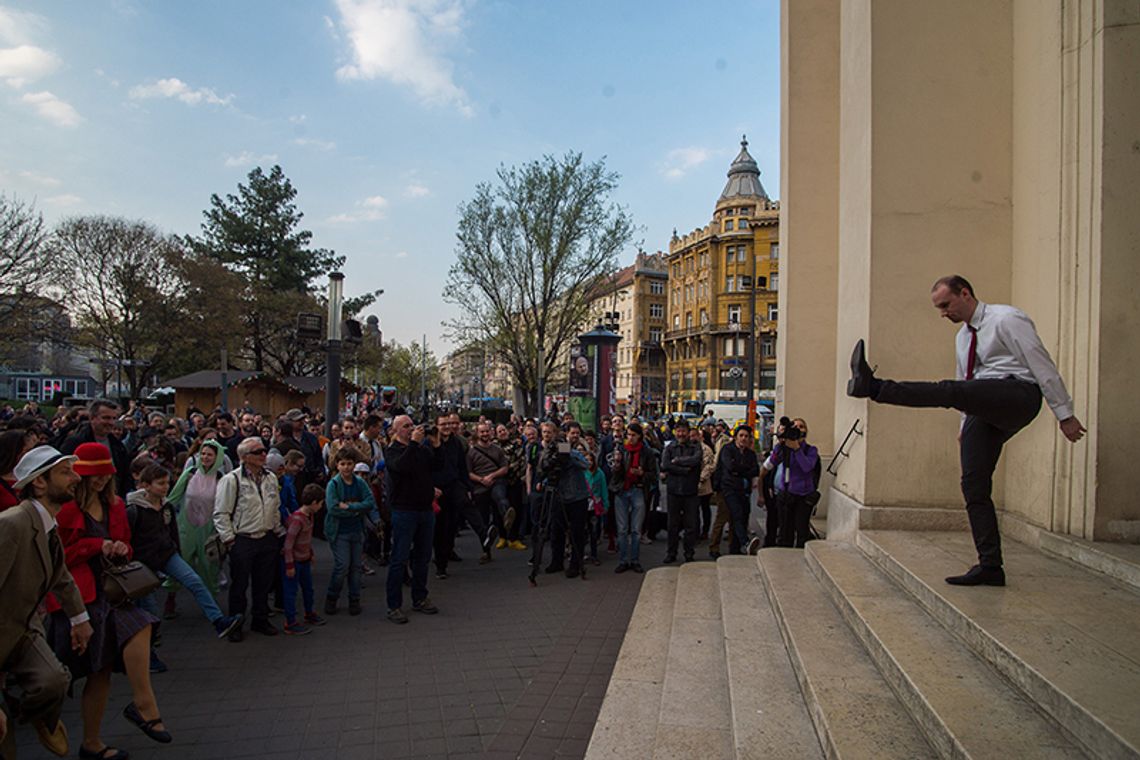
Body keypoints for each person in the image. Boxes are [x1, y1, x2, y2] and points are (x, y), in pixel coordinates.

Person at [847, 274, 1086, 586]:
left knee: (949, 389)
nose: (944, 313)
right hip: (981, 408)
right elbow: (968, 386)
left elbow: (1041, 365)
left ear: (966, 293)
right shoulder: (963, 338)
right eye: (939, 308)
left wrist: (1064, 414)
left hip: (1018, 395)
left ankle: (875, 387)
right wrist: (965, 426)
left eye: (946, 305)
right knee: (973, 485)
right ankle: (990, 566)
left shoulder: (1007, 319)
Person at [45, 443, 170, 757]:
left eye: (104, 475)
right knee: (93, 671)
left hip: (112, 591)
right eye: (93, 476)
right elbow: (57, 557)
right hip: (78, 597)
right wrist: (97, 546)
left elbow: (127, 542)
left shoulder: (115, 505)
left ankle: (141, 706)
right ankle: (87, 737)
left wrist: (120, 549)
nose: (99, 481)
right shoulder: (66, 508)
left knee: (140, 626)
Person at [1, 447, 94, 758]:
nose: (76, 478)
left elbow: (61, 576)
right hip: (4, 631)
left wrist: (79, 620)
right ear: (39, 482)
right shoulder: (12, 524)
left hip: (24, 629)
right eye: (66, 472)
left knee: (54, 683)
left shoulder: (47, 524)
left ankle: (30, 714)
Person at [127, 463, 242, 644]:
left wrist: (177, 554)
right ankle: (149, 644)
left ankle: (218, 621)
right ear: (146, 485)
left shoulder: (166, 507)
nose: (165, 487)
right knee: (148, 605)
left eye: (166, 483)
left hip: (167, 555)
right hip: (143, 562)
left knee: (194, 581)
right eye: (160, 483)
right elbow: (129, 538)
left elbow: (172, 532)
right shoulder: (134, 510)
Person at [213, 437, 283, 640]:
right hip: (242, 539)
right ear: (244, 457)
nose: (264, 455)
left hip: (267, 537)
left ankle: (260, 619)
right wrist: (229, 540)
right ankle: (236, 623)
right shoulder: (231, 480)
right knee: (239, 585)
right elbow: (221, 512)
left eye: (264, 451)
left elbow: (275, 506)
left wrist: (277, 530)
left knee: (263, 584)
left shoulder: (270, 477)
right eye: (258, 452)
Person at [384, 415, 441, 624]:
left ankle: (420, 597)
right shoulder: (392, 451)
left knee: (423, 557)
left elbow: (433, 466)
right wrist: (415, 443)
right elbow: (402, 467)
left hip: (425, 510)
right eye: (406, 426)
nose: (411, 429)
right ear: (396, 430)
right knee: (399, 558)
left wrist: (436, 444)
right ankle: (394, 605)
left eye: (412, 425)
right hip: (404, 511)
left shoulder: (420, 450)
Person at [166, 439, 228, 595]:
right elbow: (174, 496)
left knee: (208, 566)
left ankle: (211, 603)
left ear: (217, 457)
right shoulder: (191, 473)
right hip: (186, 526)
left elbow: (225, 505)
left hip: (209, 529)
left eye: (210, 455)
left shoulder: (221, 478)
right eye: (203, 454)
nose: (205, 457)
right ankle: (170, 597)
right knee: (180, 563)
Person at [323, 448, 375, 616]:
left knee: (356, 567)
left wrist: (351, 507)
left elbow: (369, 502)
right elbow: (333, 508)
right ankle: (332, 597)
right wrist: (358, 509)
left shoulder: (360, 483)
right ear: (337, 466)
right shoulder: (334, 484)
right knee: (342, 566)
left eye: (349, 464)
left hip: (356, 529)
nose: (346, 467)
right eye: (342, 464)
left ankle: (354, 599)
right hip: (339, 532)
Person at [535, 422, 590, 578]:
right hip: (558, 496)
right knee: (555, 531)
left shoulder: (575, 452)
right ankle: (556, 561)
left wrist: (568, 453)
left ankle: (575, 564)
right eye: (572, 433)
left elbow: (586, 464)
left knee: (577, 533)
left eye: (577, 433)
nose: (575, 436)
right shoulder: (550, 450)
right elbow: (544, 469)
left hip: (577, 498)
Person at [760, 417, 820, 549]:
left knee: (801, 529)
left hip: (804, 496)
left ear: (806, 432)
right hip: (786, 495)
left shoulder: (811, 450)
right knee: (785, 532)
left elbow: (807, 467)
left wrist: (797, 449)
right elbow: (770, 464)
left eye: (801, 426)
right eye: (795, 426)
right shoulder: (783, 448)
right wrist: (781, 445)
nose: (798, 429)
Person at [608, 422, 658, 574]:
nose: (630, 438)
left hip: (638, 490)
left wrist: (642, 474)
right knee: (622, 529)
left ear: (640, 436)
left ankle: (635, 560)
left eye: (633, 435)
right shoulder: (621, 450)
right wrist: (616, 466)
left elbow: (653, 475)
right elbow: (615, 475)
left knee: (636, 529)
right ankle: (623, 560)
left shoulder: (647, 452)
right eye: (628, 435)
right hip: (622, 490)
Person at [60, 400, 133, 497]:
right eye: (106, 418)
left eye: (114, 418)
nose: (111, 422)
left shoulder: (118, 446)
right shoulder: (75, 442)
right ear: (92, 418)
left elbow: (124, 475)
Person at [282, 484, 327, 635]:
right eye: (321, 503)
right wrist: (289, 565)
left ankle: (309, 612)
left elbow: (306, 539)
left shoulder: (310, 516)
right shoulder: (297, 520)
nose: (321, 506)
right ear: (314, 502)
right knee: (291, 591)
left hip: (304, 558)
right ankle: (290, 621)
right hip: (294, 561)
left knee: (308, 588)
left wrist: (310, 553)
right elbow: (288, 545)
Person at [467, 421, 516, 551]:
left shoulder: (497, 450)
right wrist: (481, 479)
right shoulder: (471, 453)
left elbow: (505, 468)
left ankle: (507, 516)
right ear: (477, 434)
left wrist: (492, 476)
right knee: (482, 520)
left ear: (491, 432)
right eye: (482, 431)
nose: (485, 434)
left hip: (496, 481)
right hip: (479, 486)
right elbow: (468, 473)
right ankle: (486, 550)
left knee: (500, 497)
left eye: (487, 431)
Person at [660, 420, 703, 563]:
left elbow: (696, 461)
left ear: (688, 432)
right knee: (672, 524)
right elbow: (665, 465)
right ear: (675, 432)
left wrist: (677, 461)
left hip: (690, 491)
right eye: (678, 431)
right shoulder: (670, 447)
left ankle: (689, 553)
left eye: (683, 431)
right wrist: (684, 470)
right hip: (673, 491)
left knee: (691, 525)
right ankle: (671, 553)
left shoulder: (695, 447)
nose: (681, 434)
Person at [715, 425, 760, 555]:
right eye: (741, 435)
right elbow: (730, 467)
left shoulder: (750, 454)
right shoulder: (727, 450)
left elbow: (755, 469)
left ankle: (736, 549)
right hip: (729, 487)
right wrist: (746, 471)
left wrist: (740, 470)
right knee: (735, 514)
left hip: (744, 490)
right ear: (735, 437)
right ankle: (745, 542)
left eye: (746, 436)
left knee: (742, 517)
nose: (743, 438)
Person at [583, 450, 609, 566]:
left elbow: (604, 489)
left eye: (591, 460)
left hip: (595, 505)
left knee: (594, 531)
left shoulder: (600, 473)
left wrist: (606, 504)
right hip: (583, 504)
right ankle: (580, 553)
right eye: (586, 460)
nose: (589, 462)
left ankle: (594, 555)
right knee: (582, 532)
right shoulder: (581, 472)